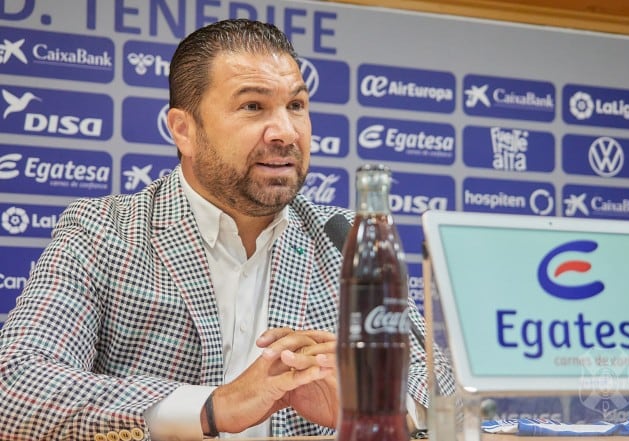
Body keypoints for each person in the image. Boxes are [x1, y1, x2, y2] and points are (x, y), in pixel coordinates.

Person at [0, 19, 455, 440]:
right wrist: (215, 406)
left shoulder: (344, 238)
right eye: (253, 106)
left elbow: (449, 393)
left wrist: (373, 396)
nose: (285, 132)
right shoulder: (104, 231)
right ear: (184, 130)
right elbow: (15, 388)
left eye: (296, 105)